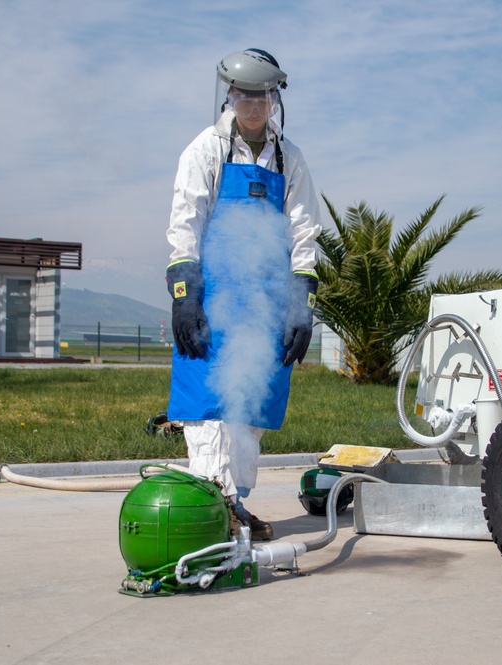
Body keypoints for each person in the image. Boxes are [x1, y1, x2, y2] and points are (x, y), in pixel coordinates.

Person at [165, 48, 322, 541]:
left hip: (267, 305)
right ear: (229, 97)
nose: (253, 109)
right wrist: (184, 294)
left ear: (275, 101)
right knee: (207, 405)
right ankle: (208, 509)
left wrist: (302, 307)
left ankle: (232, 506)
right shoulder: (204, 151)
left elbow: (303, 233)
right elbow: (185, 221)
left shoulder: (289, 159)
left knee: (250, 409)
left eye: (262, 99)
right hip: (214, 301)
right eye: (244, 98)